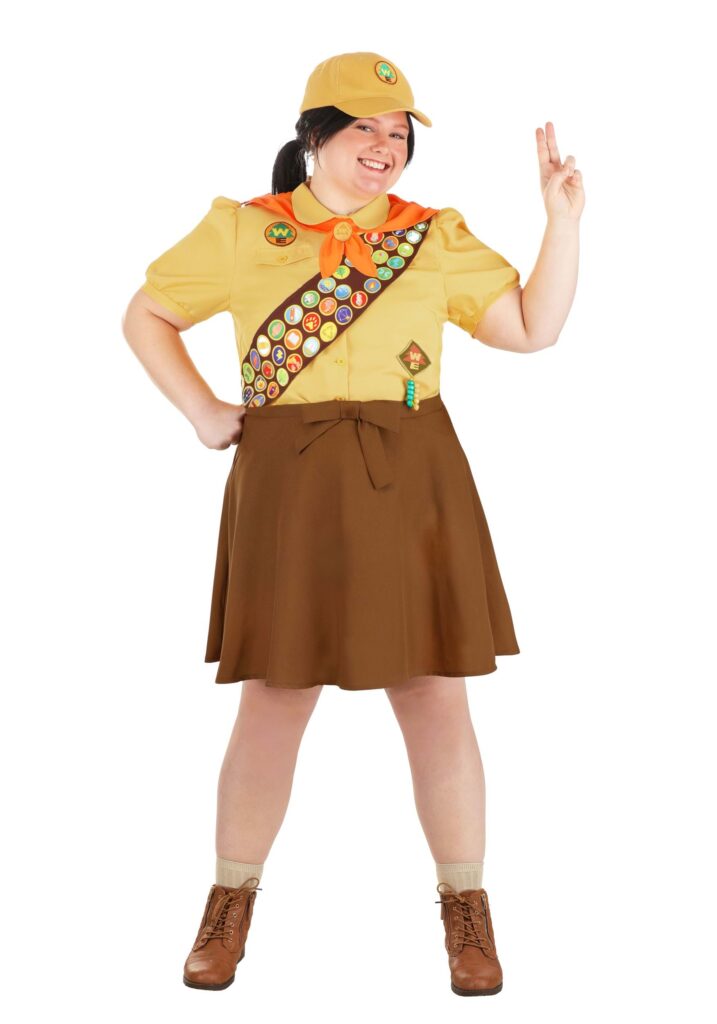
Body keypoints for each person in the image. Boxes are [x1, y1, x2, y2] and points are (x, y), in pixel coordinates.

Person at [122, 50, 584, 997]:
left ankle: (465, 911)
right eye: (365, 127)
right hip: (287, 483)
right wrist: (204, 412)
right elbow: (146, 316)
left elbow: (532, 329)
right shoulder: (243, 228)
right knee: (273, 698)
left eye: (398, 131)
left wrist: (561, 222)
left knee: (434, 695)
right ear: (315, 135)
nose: (385, 146)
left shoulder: (430, 235)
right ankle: (228, 905)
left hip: (411, 477)